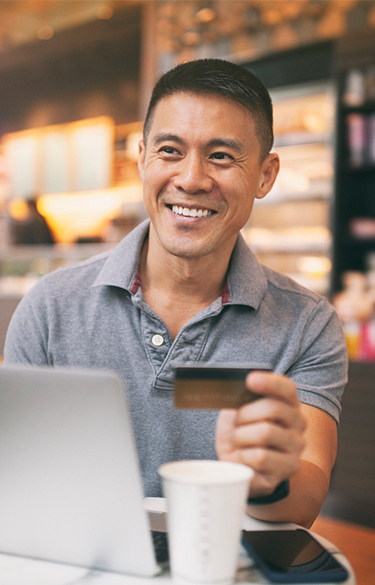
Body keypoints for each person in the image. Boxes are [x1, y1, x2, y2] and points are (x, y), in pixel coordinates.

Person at [4, 59, 347, 528]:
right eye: (170, 150)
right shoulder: (50, 306)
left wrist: (267, 477)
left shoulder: (308, 325)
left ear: (265, 175)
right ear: (144, 157)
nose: (191, 179)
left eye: (221, 156)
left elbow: (305, 497)